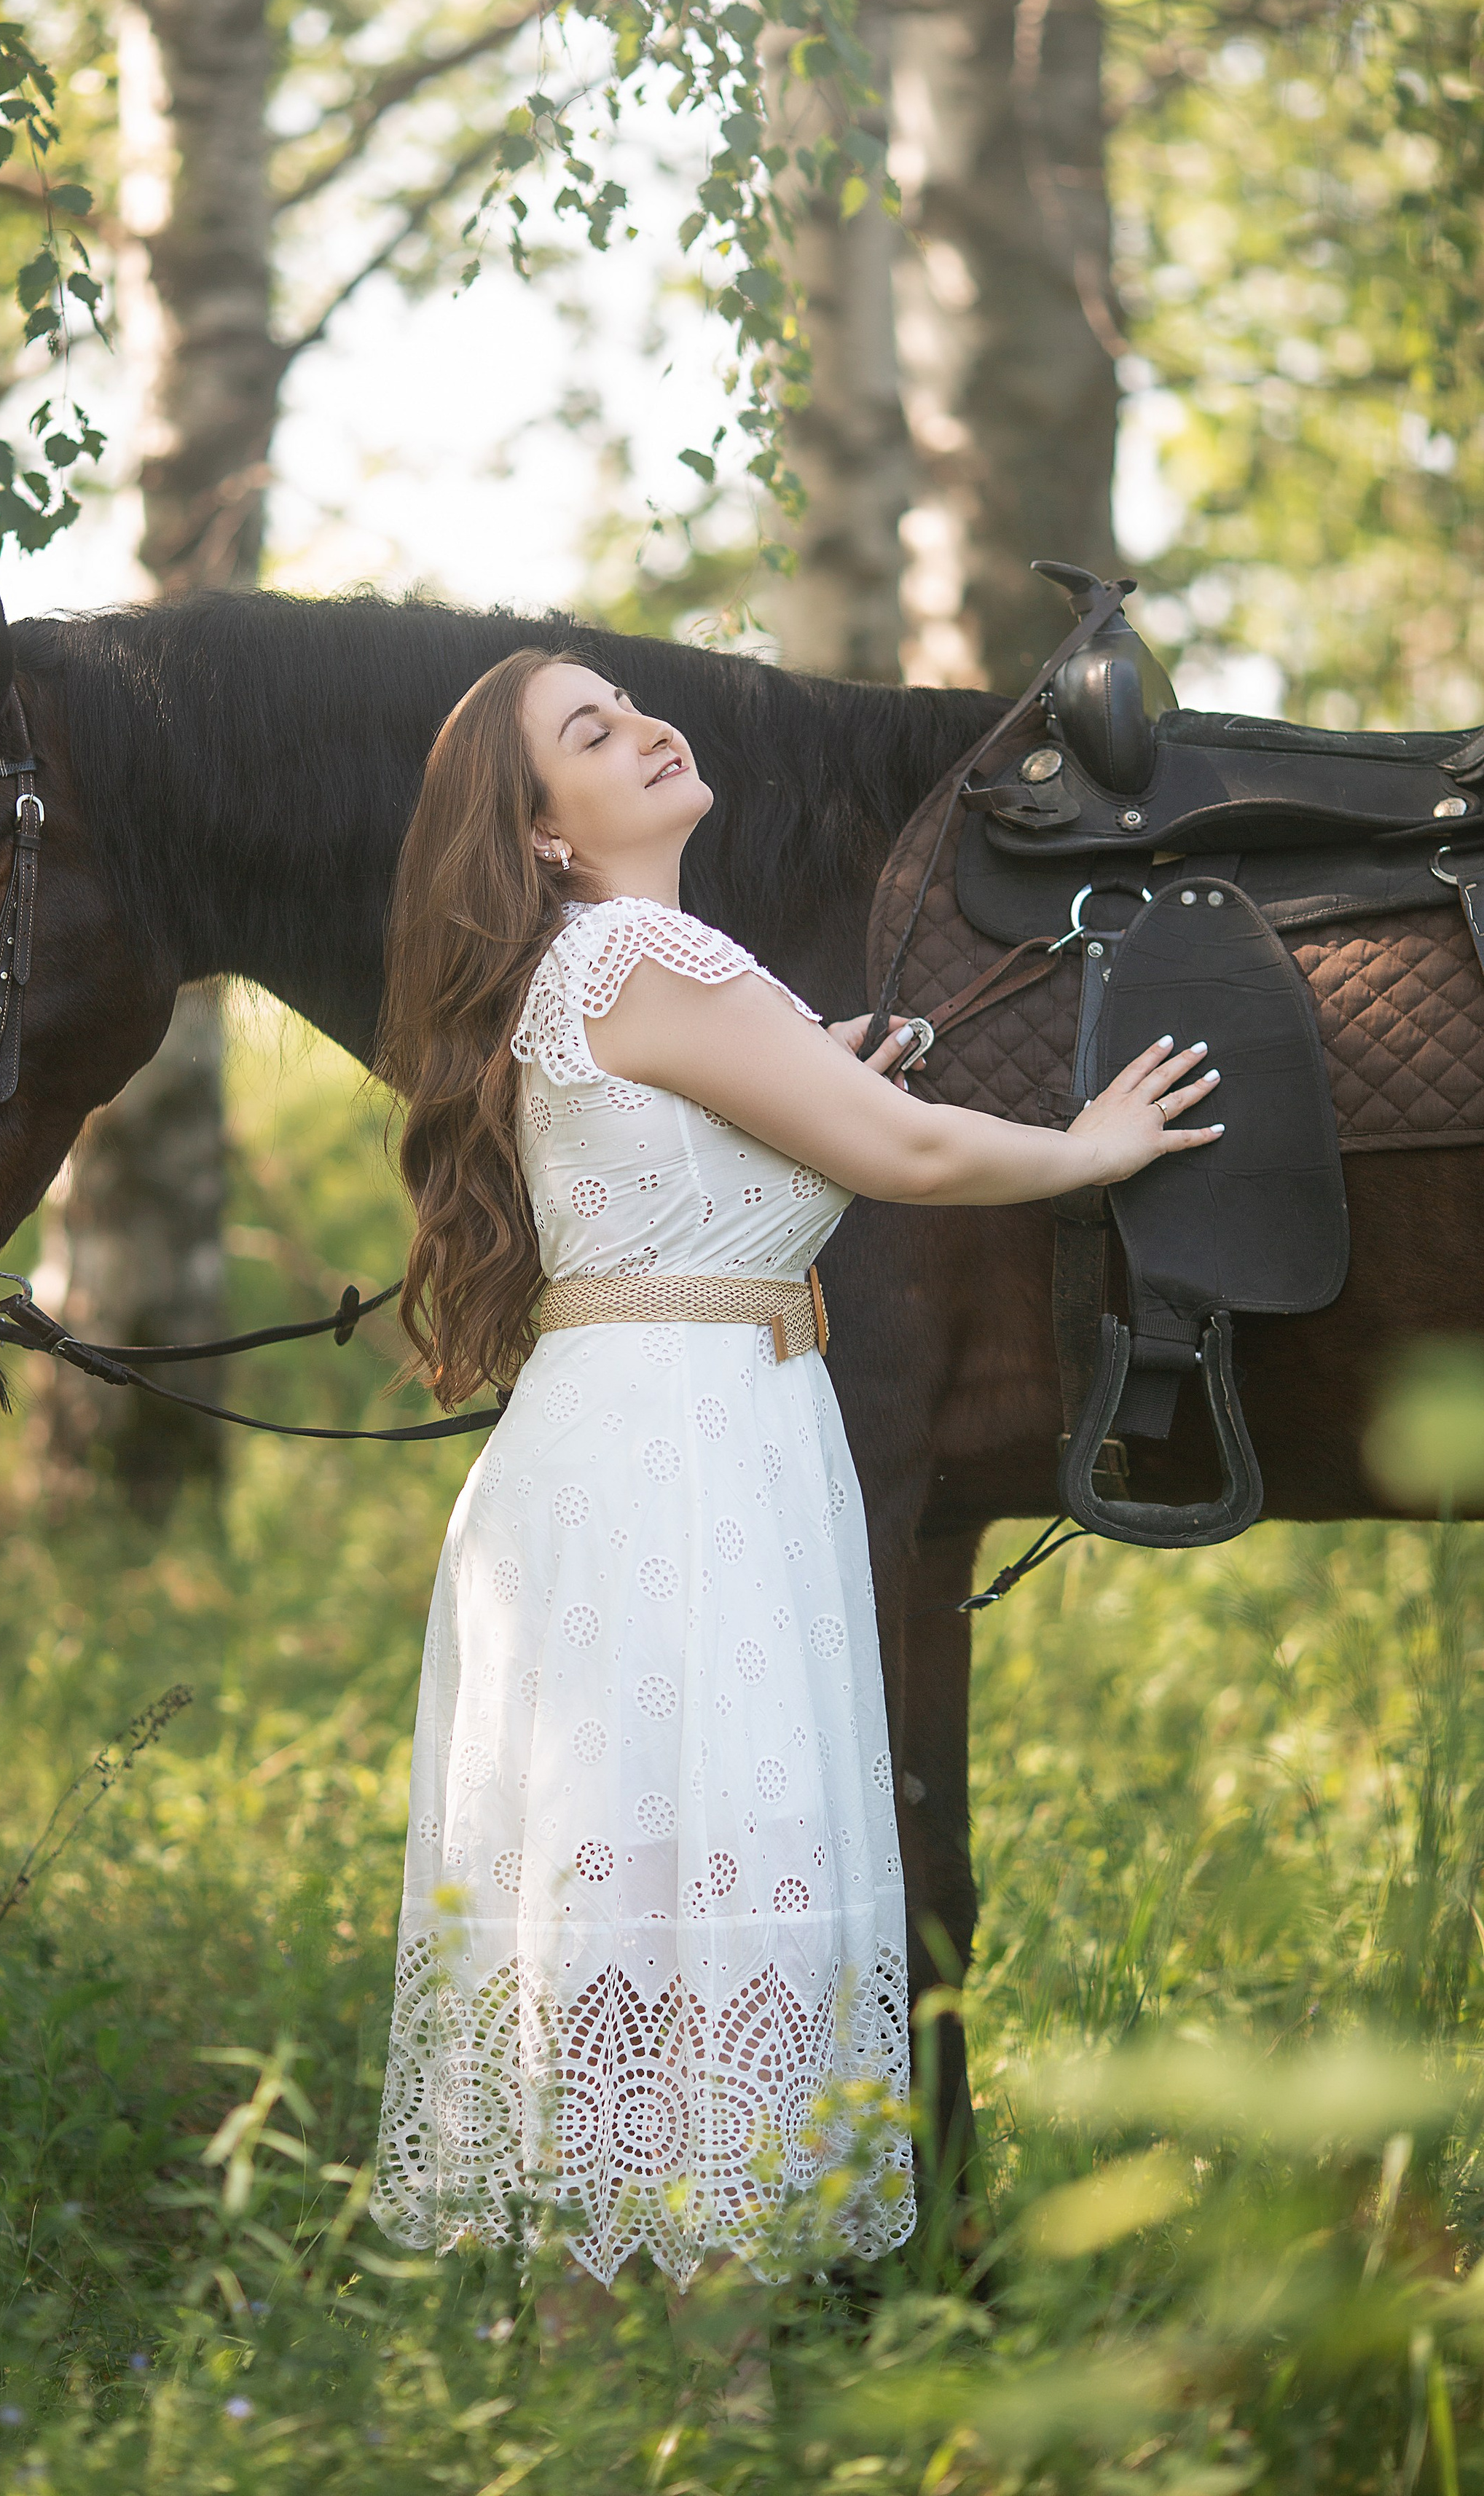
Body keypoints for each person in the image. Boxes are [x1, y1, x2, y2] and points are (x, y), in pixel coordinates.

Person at [368, 648, 1222, 2377]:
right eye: (588, 737)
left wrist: (818, 1074)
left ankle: (596, 2383)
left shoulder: (591, 969)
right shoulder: (656, 951)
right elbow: (907, 1159)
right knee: (715, 1899)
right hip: (686, 1465)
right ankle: (721, 2394)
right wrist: (1092, 1147)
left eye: (631, 706)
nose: (644, 731)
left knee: (640, 1914)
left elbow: (723, 1158)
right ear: (540, 834)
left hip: (641, 1447)